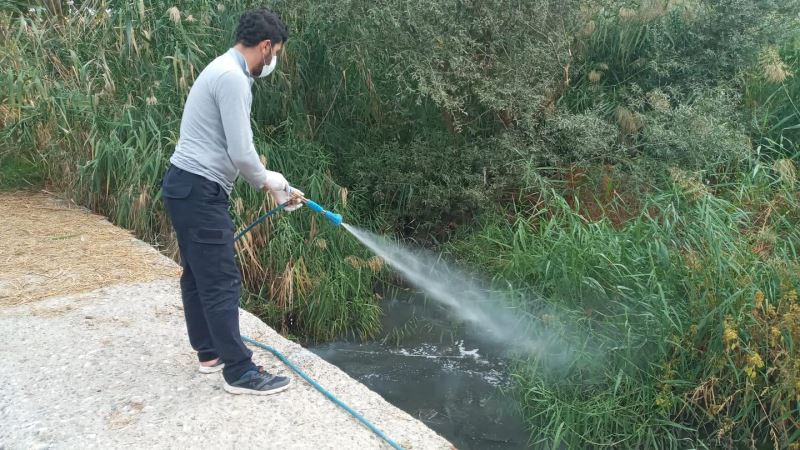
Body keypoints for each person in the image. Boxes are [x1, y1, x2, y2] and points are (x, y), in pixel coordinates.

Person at [161, 8, 301, 395]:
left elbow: (234, 150)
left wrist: (274, 187)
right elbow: (242, 152)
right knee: (220, 280)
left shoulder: (219, 68)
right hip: (199, 191)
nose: (273, 62)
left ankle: (209, 353)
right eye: (275, 54)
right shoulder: (234, 78)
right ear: (266, 46)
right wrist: (269, 180)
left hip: (183, 186)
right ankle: (240, 373)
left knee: (197, 274)